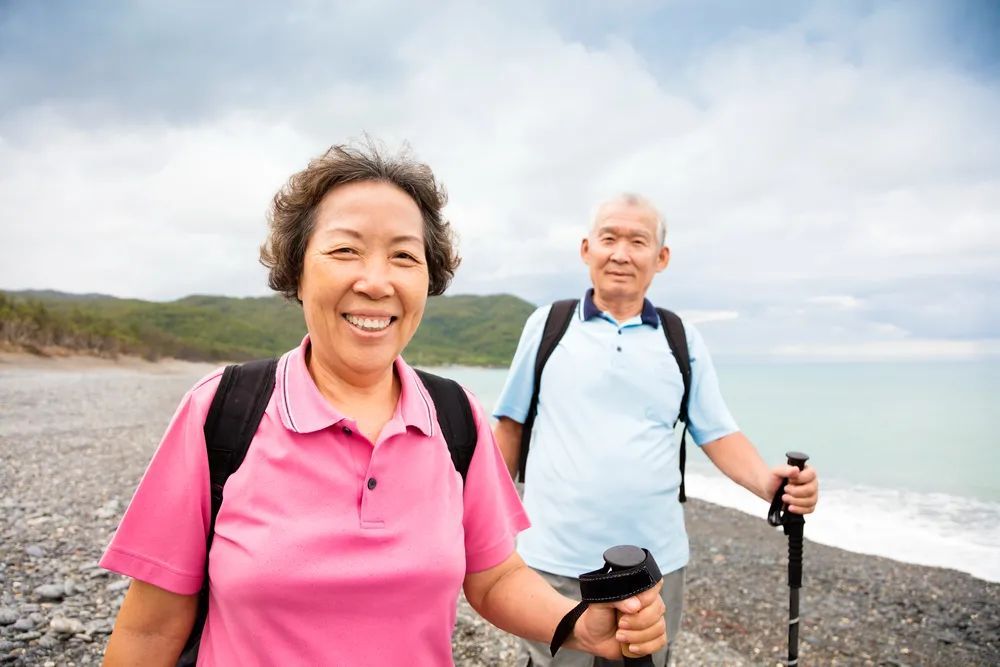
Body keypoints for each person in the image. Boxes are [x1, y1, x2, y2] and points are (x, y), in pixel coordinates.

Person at [99, 143, 667, 666]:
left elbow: (494, 578)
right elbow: (150, 630)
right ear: (297, 269)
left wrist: (579, 627)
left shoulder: (454, 417)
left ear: (428, 278)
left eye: (404, 256)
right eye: (345, 250)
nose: (376, 282)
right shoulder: (223, 412)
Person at [493, 193, 820, 667]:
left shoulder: (680, 337)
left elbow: (717, 431)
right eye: (609, 238)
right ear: (586, 249)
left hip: (656, 567)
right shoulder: (548, 325)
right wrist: (478, 521)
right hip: (554, 559)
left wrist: (769, 485)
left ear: (661, 257)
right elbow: (510, 425)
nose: (621, 253)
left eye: (637, 241)